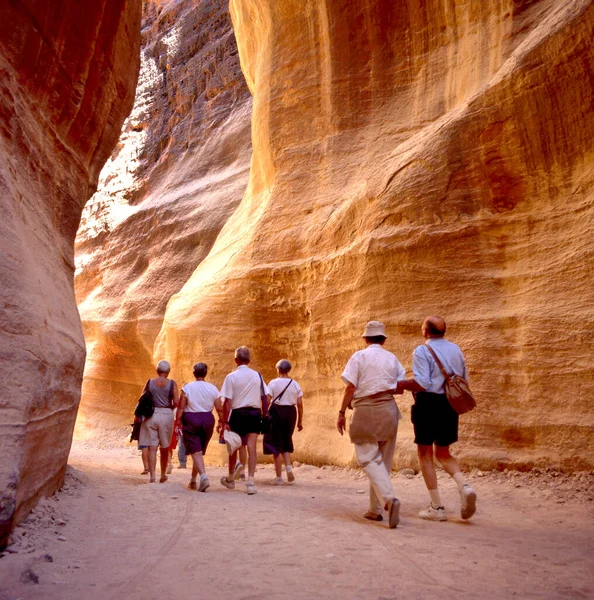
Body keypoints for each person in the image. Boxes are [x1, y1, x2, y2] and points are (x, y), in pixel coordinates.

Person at [402, 316, 477, 521]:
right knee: (443, 452)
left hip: (428, 404)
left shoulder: (422, 351)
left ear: (426, 331)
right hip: (449, 404)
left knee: (425, 453)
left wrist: (400, 385)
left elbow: (422, 383)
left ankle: (437, 507)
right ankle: (464, 486)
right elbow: (463, 379)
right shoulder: (456, 349)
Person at [337, 321, 406, 528]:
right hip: (389, 411)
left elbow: (350, 388)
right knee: (382, 463)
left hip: (365, 410)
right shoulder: (392, 358)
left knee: (368, 459)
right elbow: (400, 388)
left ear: (365, 339)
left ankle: (388, 499)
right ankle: (374, 510)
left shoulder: (359, 356)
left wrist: (341, 412)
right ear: (383, 339)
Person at [220, 346, 270, 495]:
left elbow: (227, 401)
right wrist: (264, 413)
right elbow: (266, 396)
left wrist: (225, 421)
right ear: (249, 360)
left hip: (238, 414)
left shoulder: (231, 377)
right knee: (252, 447)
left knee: (234, 446)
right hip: (254, 413)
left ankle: (230, 478)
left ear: (236, 360)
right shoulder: (257, 376)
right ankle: (251, 482)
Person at [174, 362, 223, 492]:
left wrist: (177, 422)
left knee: (196, 451)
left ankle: (204, 477)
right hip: (207, 419)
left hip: (191, 418)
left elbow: (181, 407)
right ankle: (193, 480)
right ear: (205, 373)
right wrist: (222, 422)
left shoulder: (187, 388)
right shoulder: (213, 388)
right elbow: (219, 408)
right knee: (199, 451)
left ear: (194, 373)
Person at [263, 359, 304, 485]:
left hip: (276, 412)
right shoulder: (295, 384)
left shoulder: (273, 383)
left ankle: (279, 478)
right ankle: (288, 468)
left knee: (275, 443)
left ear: (278, 369)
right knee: (286, 440)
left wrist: (264, 415)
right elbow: (300, 404)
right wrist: (300, 421)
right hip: (291, 413)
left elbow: (267, 401)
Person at [138, 360, 179, 483]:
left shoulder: (150, 382)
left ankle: (152, 477)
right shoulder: (172, 384)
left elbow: (142, 397)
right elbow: (176, 402)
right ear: (168, 372)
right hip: (166, 415)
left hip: (151, 414)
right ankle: (162, 474)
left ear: (157, 371)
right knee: (164, 447)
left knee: (152, 447)